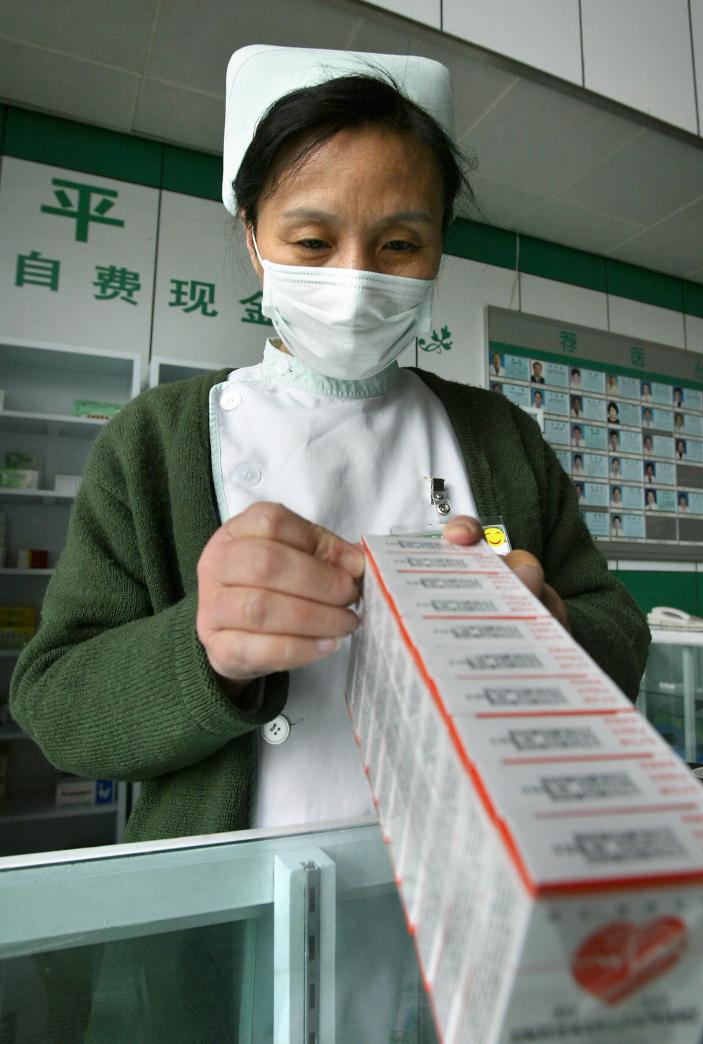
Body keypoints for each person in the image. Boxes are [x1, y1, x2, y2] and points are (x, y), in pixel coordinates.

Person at [9, 45, 650, 1042]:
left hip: (469, 919)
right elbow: (55, 702)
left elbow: (619, 628)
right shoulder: (159, 444)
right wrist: (202, 650)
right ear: (252, 237)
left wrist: (554, 630)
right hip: (227, 927)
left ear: (440, 245)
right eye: (312, 239)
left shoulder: (500, 438)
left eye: (399, 244)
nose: (355, 283)